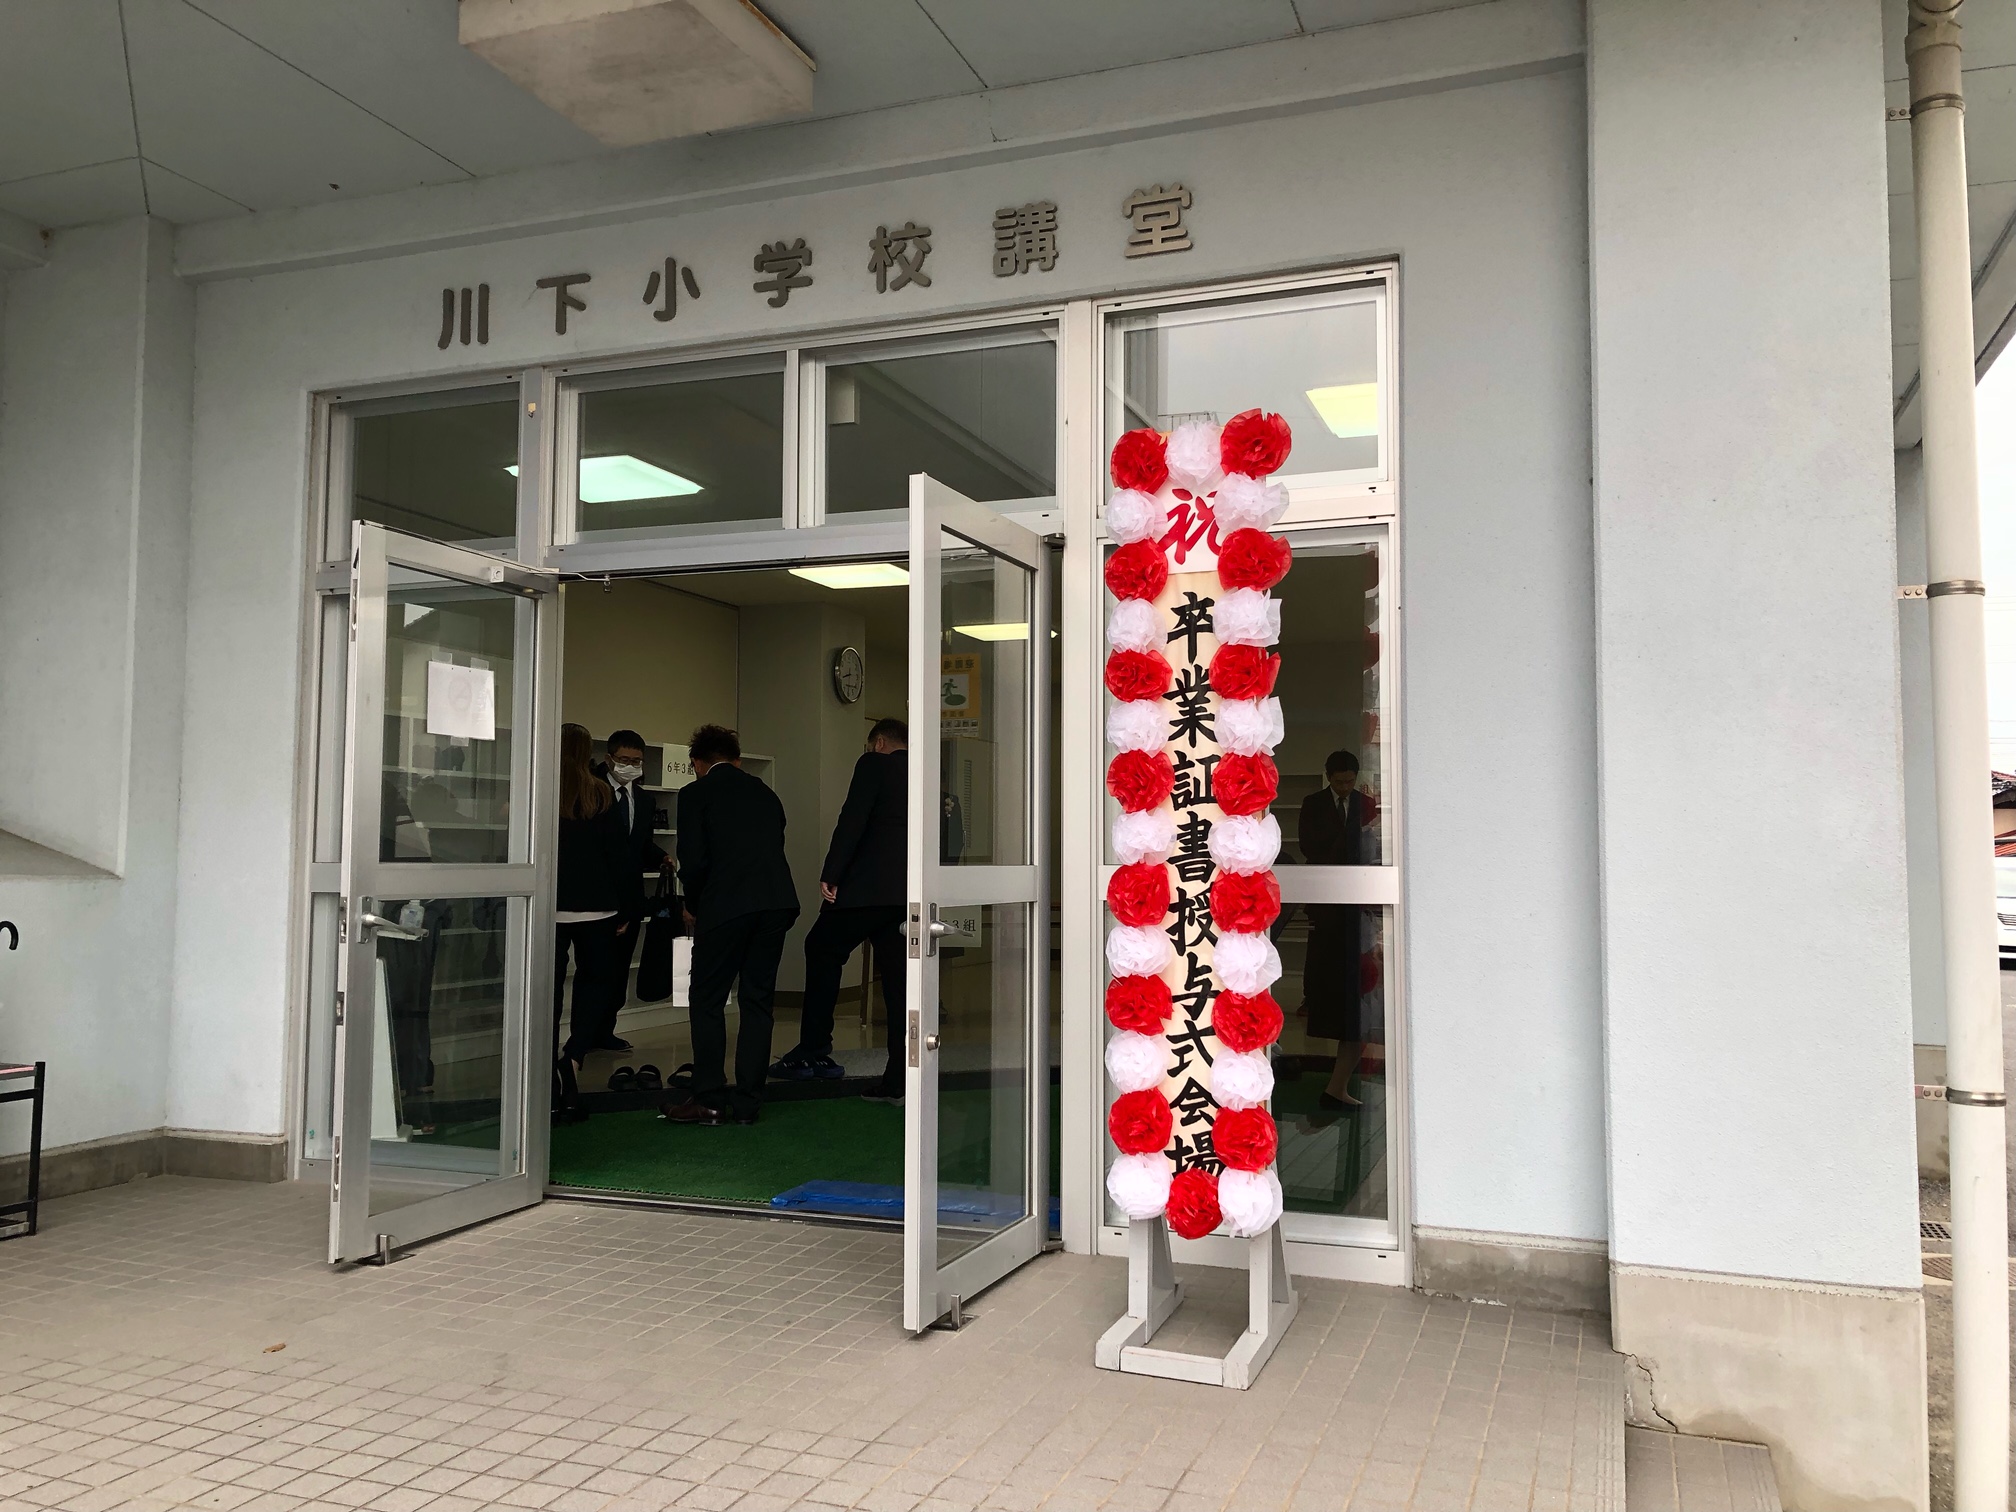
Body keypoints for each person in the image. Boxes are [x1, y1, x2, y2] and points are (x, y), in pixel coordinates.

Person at [662, 724, 799, 1126]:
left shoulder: (695, 794)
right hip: (775, 903)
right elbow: (774, 845)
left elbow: (693, 859)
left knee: (707, 998)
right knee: (757, 1001)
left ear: (696, 763)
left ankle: (708, 1098)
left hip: (724, 906)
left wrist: (693, 905)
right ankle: (748, 1103)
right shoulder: (765, 793)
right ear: (737, 760)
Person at [772, 717, 909, 1101]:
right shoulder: (924, 772)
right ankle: (899, 1077)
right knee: (899, 984)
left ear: (878, 742)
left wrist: (832, 873)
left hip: (865, 890)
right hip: (906, 894)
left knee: (821, 948)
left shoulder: (873, 764)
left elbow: (853, 819)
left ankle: (814, 1048)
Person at [554, 723, 632, 1108]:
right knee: (595, 982)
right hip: (598, 905)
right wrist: (626, 907)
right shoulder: (600, 793)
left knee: (547, 986)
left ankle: (541, 1054)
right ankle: (574, 1054)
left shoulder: (542, 789)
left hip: (550, 906)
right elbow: (618, 856)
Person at [1297, 749, 1374, 1113]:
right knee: (1322, 962)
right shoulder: (1313, 803)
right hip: (1326, 897)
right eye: (1339, 781)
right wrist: (1343, 843)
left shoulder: (1365, 803)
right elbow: (1310, 846)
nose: (1344, 787)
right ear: (1328, 777)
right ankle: (1311, 1001)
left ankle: (1339, 1081)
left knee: (1355, 979)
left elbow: (1371, 848)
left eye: (1349, 781)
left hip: (1358, 899)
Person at [596, 727, 673, 1050]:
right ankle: (585, 1033)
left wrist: (662, 857)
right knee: (595, 969)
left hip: (630, 897)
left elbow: (640, 844)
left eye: (636, 761)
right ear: (609, 759)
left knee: (619, 968)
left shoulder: (643, 799)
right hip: (597, 894)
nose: (630, 766)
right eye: (624, 760)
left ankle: (605, 1031)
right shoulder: (593, 790)